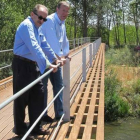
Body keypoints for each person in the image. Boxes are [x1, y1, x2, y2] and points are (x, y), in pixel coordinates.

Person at [12, 4, 58, 137]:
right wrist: (49, 64)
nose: (42, 20)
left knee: (38, 95)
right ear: (32, 14)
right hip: (22, 64)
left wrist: (55, 59)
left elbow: (44, 44)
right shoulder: (27, 25)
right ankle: (20, 130)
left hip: (34, 65)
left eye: (45, 19)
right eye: (40, 17)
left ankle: (35, 127)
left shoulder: (38, 28)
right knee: (21, 98)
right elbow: (35, 47)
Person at [41, 1, 71, 122]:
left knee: (58, 86)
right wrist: (59, 57)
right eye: (63, 10)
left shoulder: (61, 23)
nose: (65, 13)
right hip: (44, 60)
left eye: (67, 11)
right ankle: (43, 115)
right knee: (43, 88)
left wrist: (66, 54)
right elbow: (52, 41)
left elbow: (63, 40)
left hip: (56, 60)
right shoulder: (50, 21)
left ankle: (59, 113)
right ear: (57, 9)